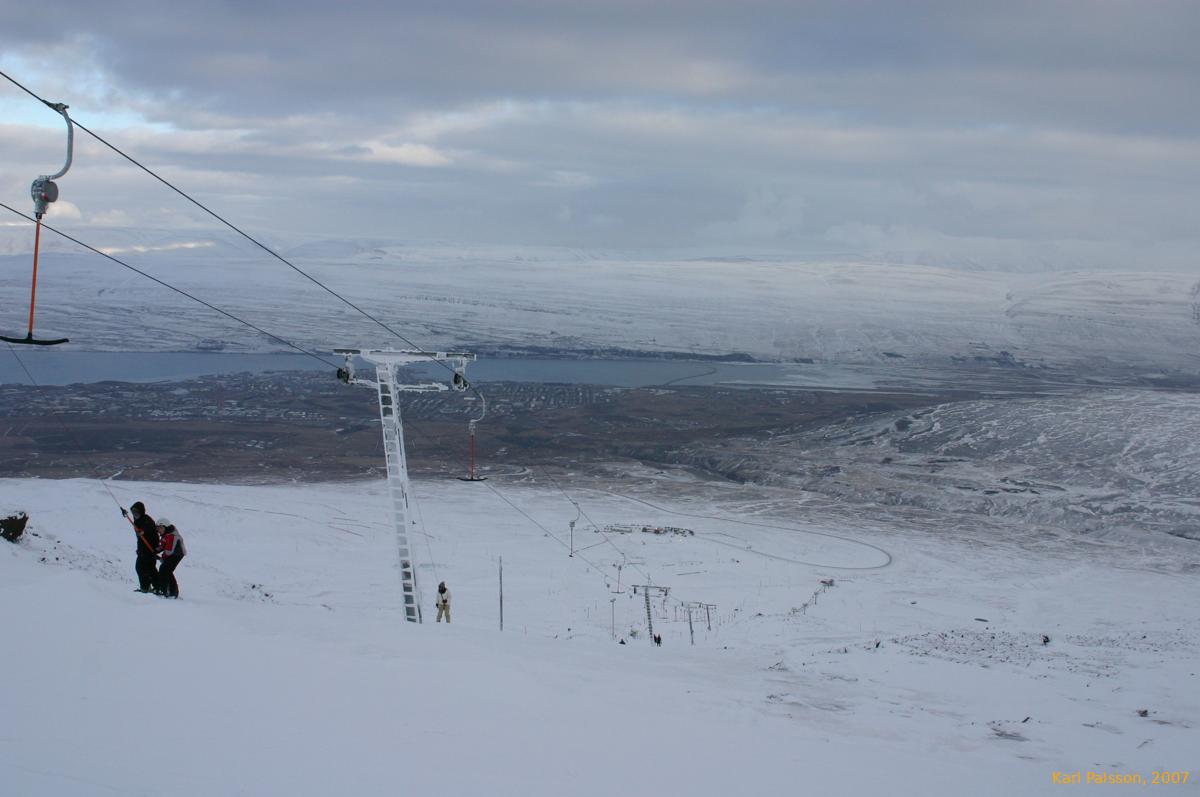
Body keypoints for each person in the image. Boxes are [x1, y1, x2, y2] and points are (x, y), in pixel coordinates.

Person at [121, 501, 159, 593]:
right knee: (149, 568)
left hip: (150, 548)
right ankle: (154, 587)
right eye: (133, 512)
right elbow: (132, 518)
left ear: (141, 511)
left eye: (136, 512)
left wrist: (143, 531)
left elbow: (148, 527)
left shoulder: (147, 520)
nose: (135, 514)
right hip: (143, 548)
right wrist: (125, 513)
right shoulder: (137, 519)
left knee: (142, 567)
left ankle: (148, 587)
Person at [154, 518, 187, 598]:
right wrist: (156, 550)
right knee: (167, 570)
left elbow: (169, 550)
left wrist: (162, 557)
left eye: (160, 528)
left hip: (177, 554)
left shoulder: (172, 535)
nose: (159, 530)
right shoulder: (165, 535)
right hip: (172, 554)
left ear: (165, 527)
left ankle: (165, 591)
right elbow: (163, 545)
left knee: (164, 569)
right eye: (158, 529)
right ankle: (173, 592)